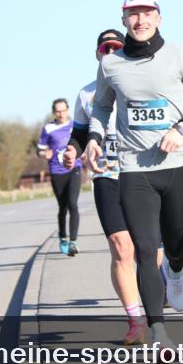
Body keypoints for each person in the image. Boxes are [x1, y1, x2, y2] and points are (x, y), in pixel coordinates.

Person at [85, 0, 183, 364]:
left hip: (174, 165)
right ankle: (159, 332)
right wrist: (94, 138)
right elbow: (100, 106)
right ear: (124, 19)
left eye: (147, 14)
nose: (140, 21)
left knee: (174, 243)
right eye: (133, 15)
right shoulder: (111, 65)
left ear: (159, 17)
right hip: (133, 170)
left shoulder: (179, 55)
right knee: (145, 249)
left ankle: (176, 269)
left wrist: (182, 126)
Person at [62, 29, 148, 345]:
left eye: (116, 47)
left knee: (148, 252)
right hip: (106, 176)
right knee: (121, 247)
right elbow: (80, 133)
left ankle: (161, 279)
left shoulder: (141, 85)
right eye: (104, 48)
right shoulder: (86, 95)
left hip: (141, 175)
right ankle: (136, 321)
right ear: (98, 54)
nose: (110, 53)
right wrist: (73, 148)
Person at [37, 98, 83, 256]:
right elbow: (40, 150)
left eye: (63, 110)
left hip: (74, 168)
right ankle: (63, 237)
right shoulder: (48, 129)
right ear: (53, 112)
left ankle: (73, 241)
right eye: (57, 111)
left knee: (73, 204)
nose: (61, 113)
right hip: (57, 171)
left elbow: (82, 142)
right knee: (63, 207)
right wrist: (45, 153)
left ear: (68, 110)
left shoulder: (74, 125)